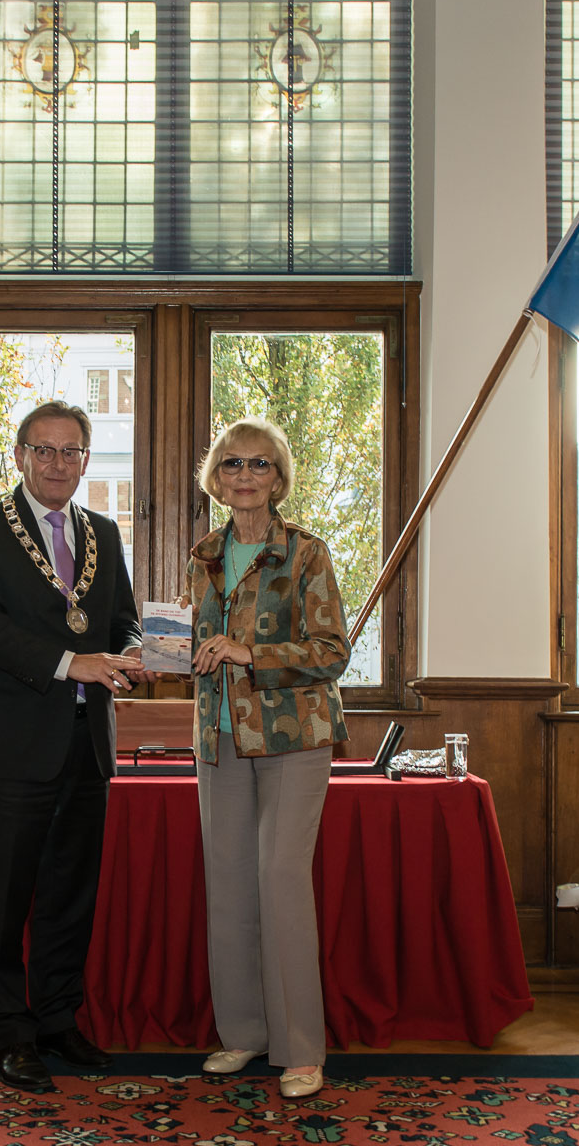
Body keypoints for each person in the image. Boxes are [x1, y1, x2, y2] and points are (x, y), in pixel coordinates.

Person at [0, 400, 146, 1093]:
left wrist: (130, 652)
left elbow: (119, 619)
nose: (58, 464)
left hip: (87, 745)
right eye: (45, 450)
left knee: (69, 897)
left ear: (86, 460)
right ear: (20, 455)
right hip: (13, 747)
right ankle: (10, 1035)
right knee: (2, 901)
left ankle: (58, 1021)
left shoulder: (104, 532)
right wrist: (73, 662)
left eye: (72, 452)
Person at [186, 416, 350, 1100]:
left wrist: (250, 653)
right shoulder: (200, 553)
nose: (244, 476)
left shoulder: (306, 553)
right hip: (218, 738)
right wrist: (157, 655)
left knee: (280, 882)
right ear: (214, 479)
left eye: (258, 465)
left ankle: (300, 1049)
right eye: (231, 465)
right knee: (228, 888)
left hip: (292, 739)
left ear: (278, 479)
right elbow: (195, 646)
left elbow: (331, 652)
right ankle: (244, 1035)